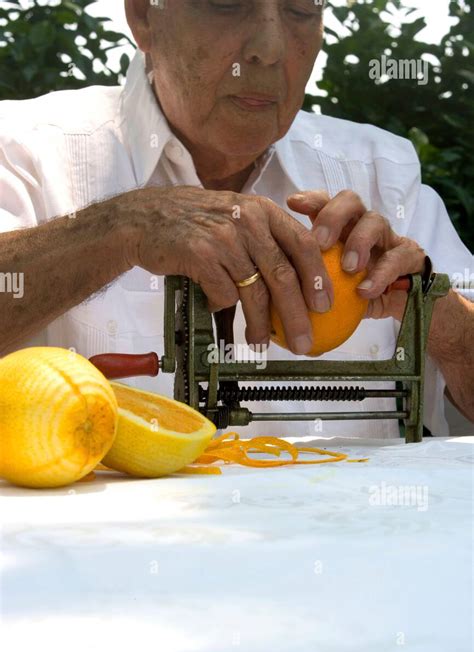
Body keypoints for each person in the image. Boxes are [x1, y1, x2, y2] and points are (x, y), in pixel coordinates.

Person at [0, 0, 472, 438]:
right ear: (145, 15)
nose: (269, 49)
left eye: (299, 9)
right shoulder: (24, 150)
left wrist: (439, 312)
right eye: (228, 2)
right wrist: (122, 228)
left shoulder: (382, 173)